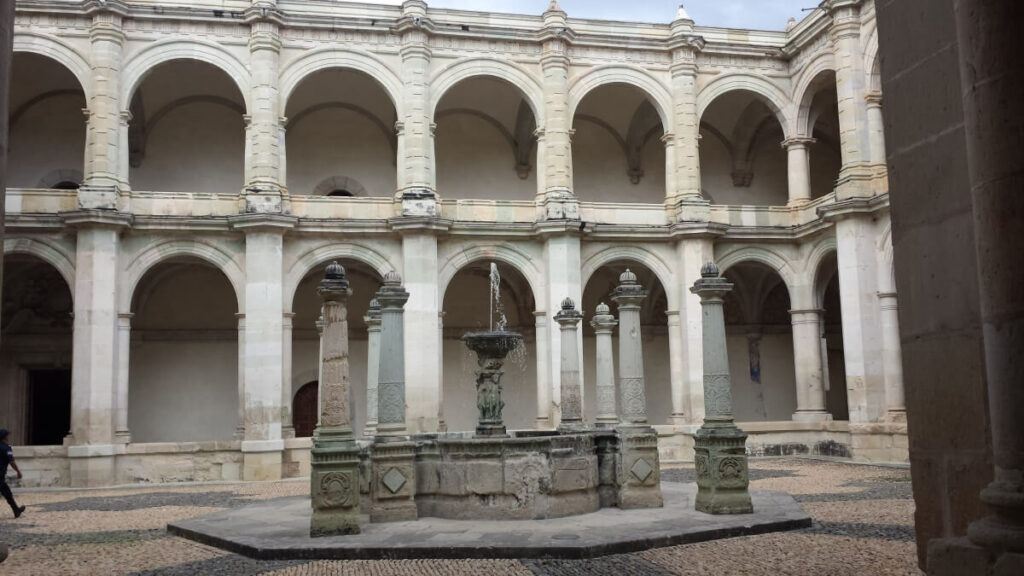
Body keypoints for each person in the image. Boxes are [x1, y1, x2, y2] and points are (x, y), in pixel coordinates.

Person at [0, 429, 25, 518]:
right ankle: (16, 510)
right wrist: (18, 471)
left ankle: (16, 510)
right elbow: (12, 462)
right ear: (5, 437)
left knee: (7, 493)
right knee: (7, 493)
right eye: (7, 435)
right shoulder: (6, 448)